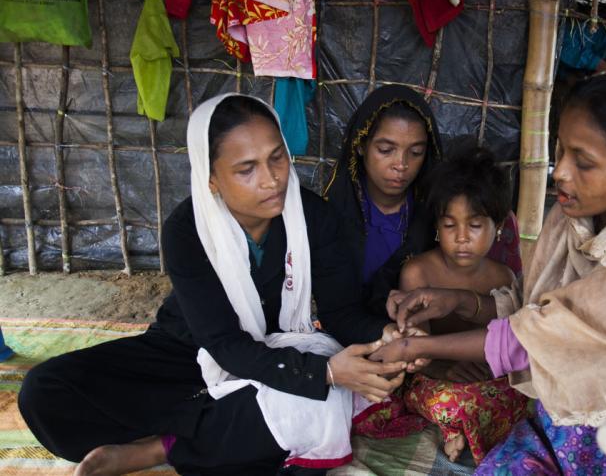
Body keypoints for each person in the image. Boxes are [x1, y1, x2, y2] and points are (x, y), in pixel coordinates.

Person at [372, 71, 606, 474]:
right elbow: (531, 307)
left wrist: (416, 348)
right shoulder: (572, 221)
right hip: (567, 416)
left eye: (584, 162)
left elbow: (547, 334)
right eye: (561, 152)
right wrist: (457, 301)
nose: (560, 173)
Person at [18, 94, 406, 476]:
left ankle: (162, 447)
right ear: (212, 178)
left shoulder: (314, 217)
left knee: (320, 401)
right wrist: (325, 373)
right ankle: (222, 428)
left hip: (278, 346)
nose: (271, 179)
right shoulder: (187, 230)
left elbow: (340, 314)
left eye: (277, 157)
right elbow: (223, 345)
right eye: (246, 169)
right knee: (45, 393)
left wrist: (387, 334)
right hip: (187, 350)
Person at [395, 143, 530, 464]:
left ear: (497, 228)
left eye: (475, 224)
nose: (462, 237)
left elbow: (508, 344)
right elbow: (415, 350)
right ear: (437, 229)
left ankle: (459, 432)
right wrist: (449, 368)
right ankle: (460, 430)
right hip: (436, 379)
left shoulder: (504, 277)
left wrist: (483, 369)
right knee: (444, 399)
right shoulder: (419, 272)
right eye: (449, 224)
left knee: (523, 398)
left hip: (484, 378)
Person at [322, 85, 442, 317]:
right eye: (386, 150)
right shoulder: (329, 215)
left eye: (416, 152)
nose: (401, 164)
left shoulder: (436, 222)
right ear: (360, 145)